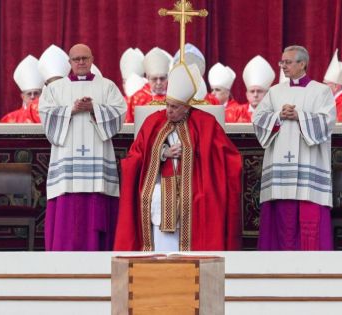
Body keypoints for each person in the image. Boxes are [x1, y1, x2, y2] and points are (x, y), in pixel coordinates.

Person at [114, 63, 242, 251]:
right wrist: (160, 153)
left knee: (198, 198)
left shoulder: (205, 124)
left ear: (186, 107)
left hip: (195, 185)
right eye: (167, 105)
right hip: (159, 183)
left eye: (174, 107)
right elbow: (134, 157)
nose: (169, 111)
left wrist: (196, 155)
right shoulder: (153, 122)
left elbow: (227, 159)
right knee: (158, 195)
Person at [39, 43, 126, 251]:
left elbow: (119, 112)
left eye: (84, 58)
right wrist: (72, 109)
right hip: (67, 167)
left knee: (97, 203)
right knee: (67, 211)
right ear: (69, 62)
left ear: (92, 59)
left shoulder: (107, 86)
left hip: (98, 165)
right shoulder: (54, 89)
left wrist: (94, 109)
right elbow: (46, 115)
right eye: (76, 59)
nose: (80, 62)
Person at [253, 45, 336, 251]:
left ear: (302, 63)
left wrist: (300, 116)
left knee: (309, 215)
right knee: (281, 217)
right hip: (281, 166)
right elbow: (258, 120)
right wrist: (278, 116)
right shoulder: (274, 92)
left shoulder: (321, 91)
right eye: (282, 62)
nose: (283, 66)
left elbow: (327, 122)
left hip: (309, 165)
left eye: (288, 62)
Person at [125, 47, 171, 123]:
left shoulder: (175, 96)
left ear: (167, 78)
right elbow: (129, 125)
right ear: (147, 78)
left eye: (162, 78)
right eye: (154, 79)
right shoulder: (137, 98)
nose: (158, 82)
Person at [226, 55, 275, 123]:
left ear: (267, 94)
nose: (255, 95)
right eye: (252, 91)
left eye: (259, 91)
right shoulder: (235, 112)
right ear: (247, 94)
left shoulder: (274, 113)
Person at [1, 55, 45, 123]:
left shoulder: (46, 117)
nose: (32, 96)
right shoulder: (11, 118)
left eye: (36, 93)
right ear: (23, 96)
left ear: (41, 95)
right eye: (29, 94)